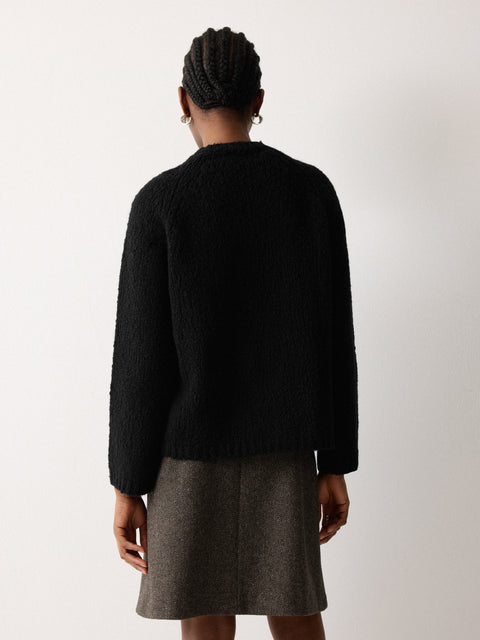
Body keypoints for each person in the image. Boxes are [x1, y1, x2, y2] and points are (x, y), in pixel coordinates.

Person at [108, 26, 359, 640]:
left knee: (203, 616)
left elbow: (141, 360)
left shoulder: (161, 203)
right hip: (286, 454)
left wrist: (127, 485)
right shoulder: (310, 192)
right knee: (296, 614)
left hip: (187, 460)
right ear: (258, 100)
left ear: (182, 99)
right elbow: (336, 339)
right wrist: (335, 463)